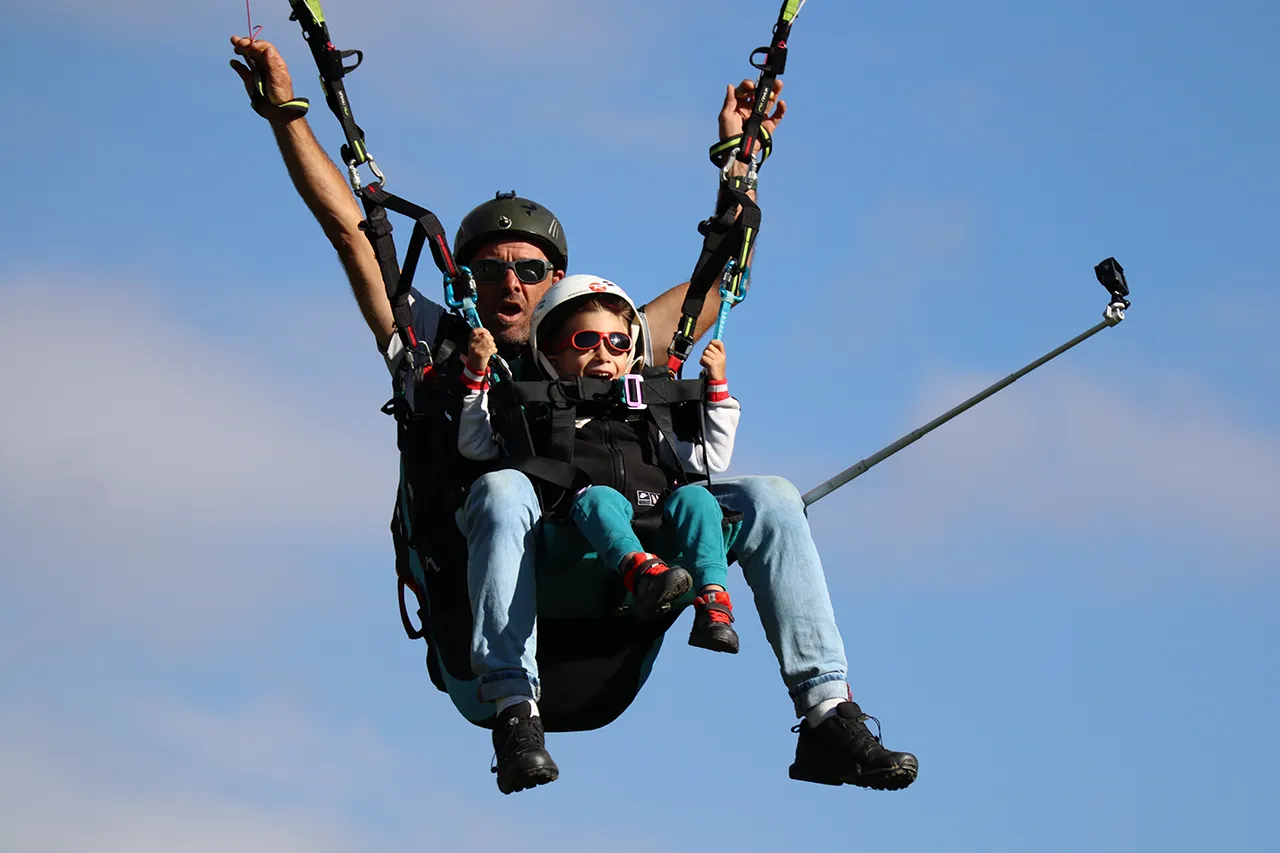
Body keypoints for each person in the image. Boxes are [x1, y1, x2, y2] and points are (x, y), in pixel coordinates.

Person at [229, 32, 919, 796]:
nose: (510, 283)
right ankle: (515, 713)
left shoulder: (606, 341)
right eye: (490, 269)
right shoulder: (441, 344)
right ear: (468, 280)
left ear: (557, 279)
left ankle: (828, 714)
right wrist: (287, 115)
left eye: (530, 270)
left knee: (772, 499)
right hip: (488, 636)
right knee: (501, 489)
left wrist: (741, 159)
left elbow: (709, 291)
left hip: (614, 614)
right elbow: (352, 236)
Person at [459, 276, 744, 655]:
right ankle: (639, 571)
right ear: (552, 357)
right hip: (577, 531)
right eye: (586, 341)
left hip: (658, 523)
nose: (604, 354)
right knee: (599, 499)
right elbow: (475, 446)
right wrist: (477, 374)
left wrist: (717, 387)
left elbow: (713, 458)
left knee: (698, 499)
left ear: (631, 356)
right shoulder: (541, 418)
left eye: (618, 342)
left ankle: (713, 600)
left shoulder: (648, 418)